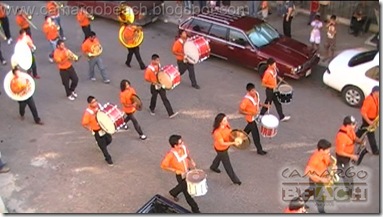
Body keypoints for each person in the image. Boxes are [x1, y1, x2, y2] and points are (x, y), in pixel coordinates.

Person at [160, 134, 201, 213]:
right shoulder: (170, 155)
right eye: (180, 143)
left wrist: (191, 160)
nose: (182, 144)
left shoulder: (183, 147)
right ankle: (196, 210)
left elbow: (187, 155)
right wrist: (175, 170)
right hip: (180, 175)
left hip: (187, 171)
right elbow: (163, 166)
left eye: (182, 141)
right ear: (175, 146)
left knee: (183, 186)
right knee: (187, 194)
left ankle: (173, 193)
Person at [300, 139, 334, 213]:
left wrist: (332, 165)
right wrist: (322, 179)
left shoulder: (324, 154)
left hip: (321, 177)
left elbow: (328, 162)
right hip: (315, 180)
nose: (329, 151)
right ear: (321, 150)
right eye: (327, 150)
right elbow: (307, 172)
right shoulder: (314, 159)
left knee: (311, 191)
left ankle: (300, 202)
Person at [335, 115, 363, 198]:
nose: (355, 125)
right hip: (343, 158)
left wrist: (360, 142)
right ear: (348, 125)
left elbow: (354, 138)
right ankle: (350, 193)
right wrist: (352, 156)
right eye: (353, 124)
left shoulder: (350, 130)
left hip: (347, 157)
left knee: (340, 169)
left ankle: (335, 173)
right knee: (348, 176)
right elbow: (339, 152)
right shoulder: (341, 136)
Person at [209, 113, 242, 185]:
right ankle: (235, 180)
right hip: (221, 149)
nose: (226, 121)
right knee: (227, 165)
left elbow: (230, 132)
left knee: (219, 157)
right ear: (220, 122)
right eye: (224, 120)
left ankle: (213, 166)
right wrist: (233, 143)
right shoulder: (217, 132)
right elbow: (222, 143)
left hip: (225, 147)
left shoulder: (226, 125)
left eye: (226, 119)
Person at [81, 96, 113, 165]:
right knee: (103, 147)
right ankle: (108, 158)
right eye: (93, 102)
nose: (95, 103)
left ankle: (100, 145)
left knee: (109, 140)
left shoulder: (99, 106)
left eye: (96, 101)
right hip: (97, 131)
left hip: (104, 128)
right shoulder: (88, 113)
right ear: (90, 104)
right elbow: (84, 123)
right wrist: (90, 129)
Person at [239, 83, 269, 155]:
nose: (254, 91)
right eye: (252, 91)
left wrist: (265, 105)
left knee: (248, 129)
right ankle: (259, 149)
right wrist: (250, 114)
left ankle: (240, 138)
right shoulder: (246, 100)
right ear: (248, 91)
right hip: (250, 118)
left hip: (255, 116)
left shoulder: (256, 95)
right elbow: (240, 111)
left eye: (254, 89)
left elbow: (257, 103)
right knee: (255, 134)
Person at [144, 54, 178, 118]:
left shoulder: (158, 65)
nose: (158, 61)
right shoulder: (149, 69)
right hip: (154, 85)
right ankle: (152, 108)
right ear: (153, 60)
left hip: (160, 83)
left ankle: (170, 113)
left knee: (164, 98)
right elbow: (146, 78)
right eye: (157, 60)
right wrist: (153, 82)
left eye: (158, 60)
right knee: (154, 98)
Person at [356, 86, 379, 155]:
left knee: (363, 129)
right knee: (370, 134)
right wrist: (369, 121)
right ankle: (375, 150)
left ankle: (354, 137)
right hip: (368, 119)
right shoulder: (369, 100)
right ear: (375, 92)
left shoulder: (377, 98)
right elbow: (363, 112)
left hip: (373, 118)